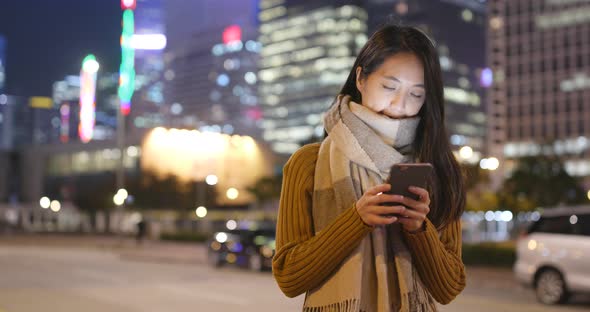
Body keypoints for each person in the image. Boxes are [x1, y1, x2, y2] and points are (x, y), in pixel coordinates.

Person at [272, 24, 466, 312]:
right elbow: (289, 276)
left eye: (416, 94)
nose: (399, 105)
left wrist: (418, 229)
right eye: (389, 87)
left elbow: (449, 287)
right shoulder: (308, 164)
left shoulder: (437, 167)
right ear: (361, 78)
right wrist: (357, 220)